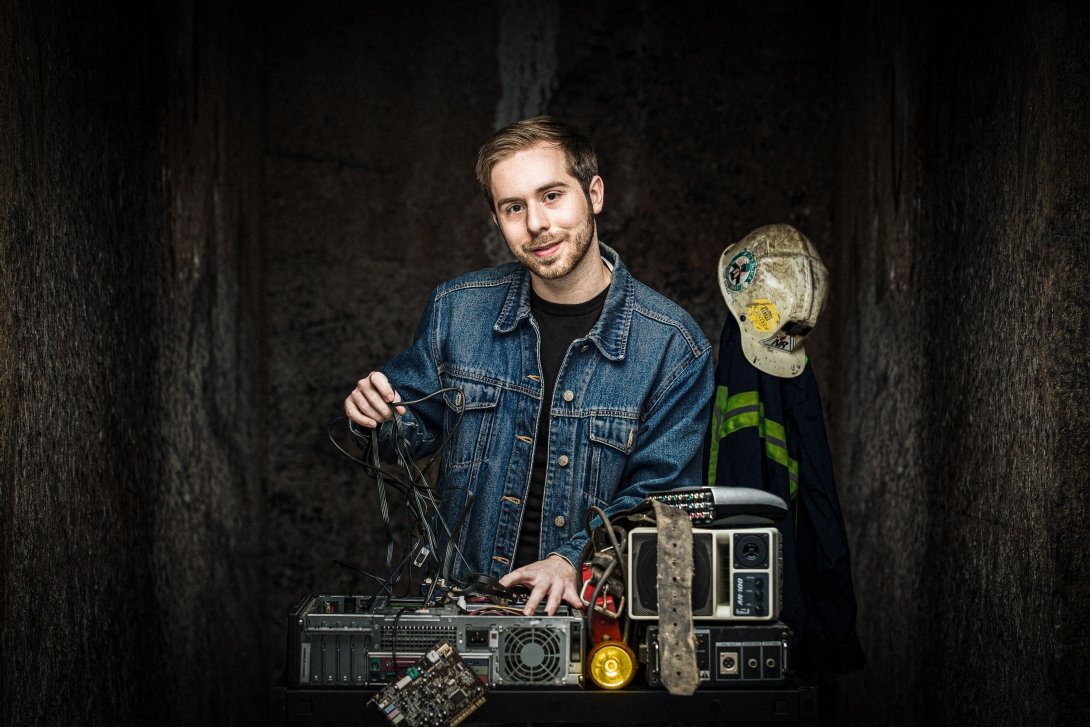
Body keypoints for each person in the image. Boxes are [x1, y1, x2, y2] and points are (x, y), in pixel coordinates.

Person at [344, 116, 714, 616]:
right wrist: (373, 416)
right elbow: (402, 436)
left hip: (597, 622)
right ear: (497, 220)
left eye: (552, 196)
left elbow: (663, 504)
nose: (537, 223)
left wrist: (572, 559)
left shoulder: (673, 346)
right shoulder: (458, 311)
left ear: (595, 194)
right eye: (514, 207)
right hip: (466, 616)